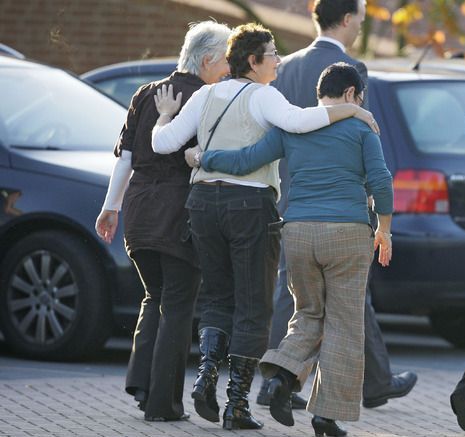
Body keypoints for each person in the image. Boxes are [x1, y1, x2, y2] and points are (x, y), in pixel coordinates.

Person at [150, 23, 376, 430]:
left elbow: (163, 144)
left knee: (217, 297)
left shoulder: (204, 94)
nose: (277, 60)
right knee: (254, 304)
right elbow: (303, 121)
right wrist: (353, 109)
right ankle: (236, 403)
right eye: (271, 54)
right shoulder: (264, 96)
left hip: (202, 204)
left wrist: (164, 118)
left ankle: (205, 378)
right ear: (253, 62)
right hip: (249, 206)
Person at [256, 0, 417, 411]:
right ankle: (370, 384)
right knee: (348, 299)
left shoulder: (286, 67)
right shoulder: (352, 73)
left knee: (290, 296)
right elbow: (367, 136)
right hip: (340, 205)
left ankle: (278, 382)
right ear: (347, 20)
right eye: (360, 20)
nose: (361, 27)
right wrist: (375, 205)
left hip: (293, 200)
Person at [94, 21, 232, 422]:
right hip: (180, 215)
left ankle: (142, 385)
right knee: (177, 304)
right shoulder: (208, 98)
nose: (227, 70)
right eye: (225, 61)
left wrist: (110, 208)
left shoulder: (145, 94)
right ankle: (163, 405)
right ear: (207, 60)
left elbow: (125, 158)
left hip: (138, 212)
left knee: (155, 297)